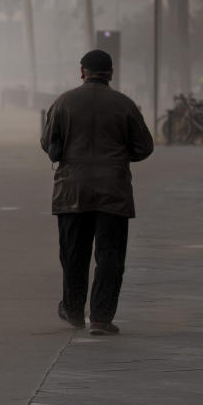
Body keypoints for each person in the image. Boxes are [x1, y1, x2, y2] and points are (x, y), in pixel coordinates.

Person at [40, 49, 154, 336]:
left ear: (82, 72)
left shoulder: (63, 102)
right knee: (110, 256)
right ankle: (101, 317)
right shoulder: (124, 104)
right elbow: (144, 147)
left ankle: (74, 310)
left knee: (73, 254)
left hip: (71, 191)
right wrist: (116, 158)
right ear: (111, 74)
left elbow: (47, 142)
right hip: (113, 191)